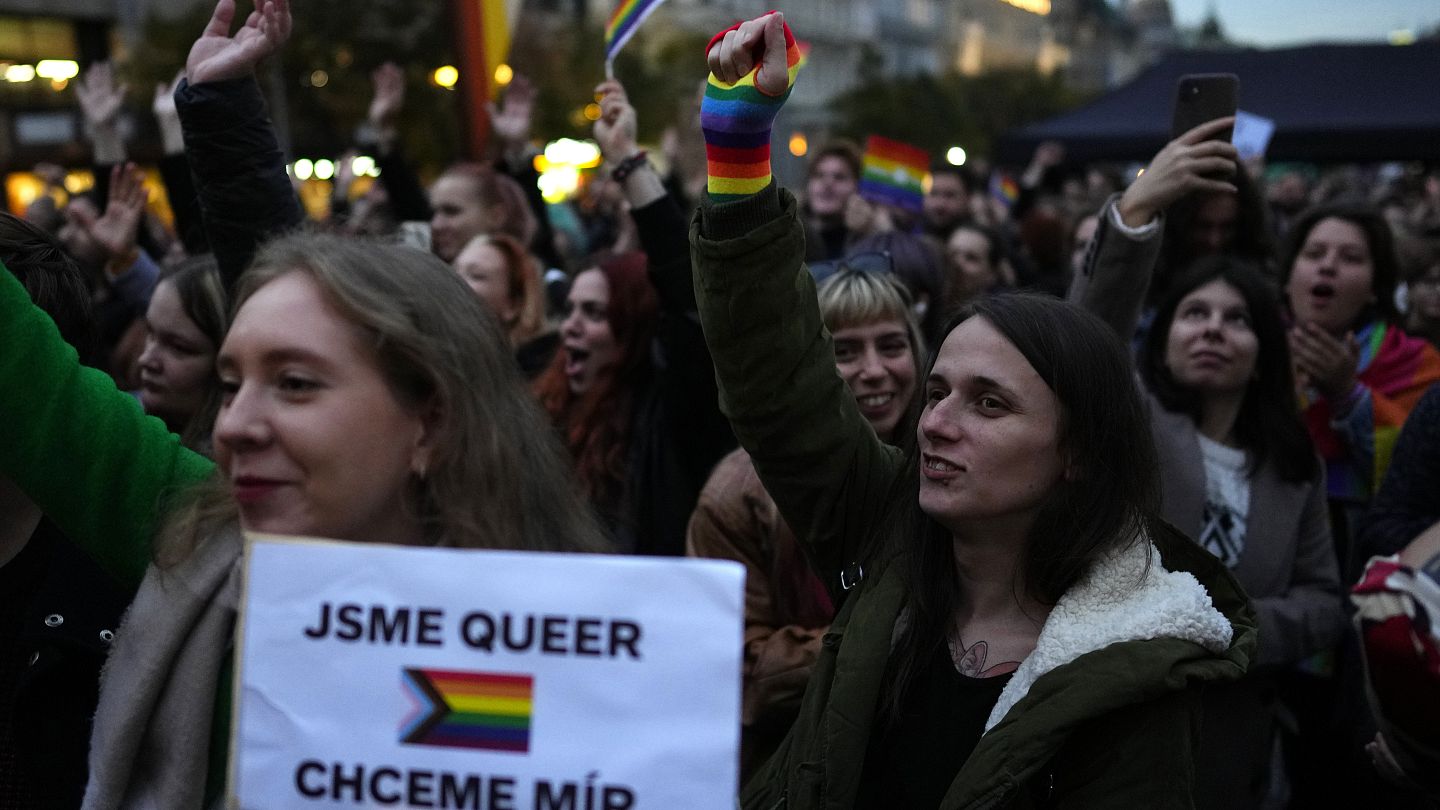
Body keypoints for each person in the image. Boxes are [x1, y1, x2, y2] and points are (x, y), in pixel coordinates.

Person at [0, 3, 607, 807]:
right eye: (230, 381)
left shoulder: (571, 665)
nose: (238, 425)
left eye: (293, 385)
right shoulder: (202, 541)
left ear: (430, 420)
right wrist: (219, 119)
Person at [694, 14, 1254, 807]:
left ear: (1078, 452)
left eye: (989, 404)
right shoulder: (887, 535)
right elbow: (774, 377)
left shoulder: (1134, 671)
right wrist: (737, 140)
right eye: (939, 392)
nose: (936, 424)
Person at [1070, 124, 1346, 807]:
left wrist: (1229, 627)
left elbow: (1323, 603)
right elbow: (1087, 340)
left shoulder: (1293, 465)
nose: (1214, 328)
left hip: (1235, 743)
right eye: (1194, 313)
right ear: (1160, 345)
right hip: (1118, 727)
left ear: (1265, 352)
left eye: (1236, 318)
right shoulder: (1130, 422)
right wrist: (1136, 214)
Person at [687, 267, 924, 781]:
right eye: (844, 352)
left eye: (891, 345)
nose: (874, 370)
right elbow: (731, 667)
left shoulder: (947, 468)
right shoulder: (736, 495)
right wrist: (891, 638)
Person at [533, 79, 734, 555]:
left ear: (636, 326)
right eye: (572, 310)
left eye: (595, 313)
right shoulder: (540, 407)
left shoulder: (672, 417)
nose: (570, 327)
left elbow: (684, 293)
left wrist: (627, 158)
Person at [1281, 203, 1440, 576]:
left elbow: (1417, 480)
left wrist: (1347, 395)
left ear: (1374, 288)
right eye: (1314, 253)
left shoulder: (1418, 364)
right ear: (1288, 278)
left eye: (1350, 257)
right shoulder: (1245, 349)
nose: (1328, 266)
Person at [137, 256, 227, 450]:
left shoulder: (225, 473)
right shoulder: (125, 416)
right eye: (150, 334)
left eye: (179, 347)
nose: (146, 360)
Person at [451, 233, 557, 377]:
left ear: (514, 305)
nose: (454, 280)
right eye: (452, 270)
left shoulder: (535, 375)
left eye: (476, 275)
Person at [801, 140, 862, 262]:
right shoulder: (786, 237)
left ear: (858, 187)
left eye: (839, 177)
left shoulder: (869, 244)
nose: (827, 183)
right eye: (819, 175)